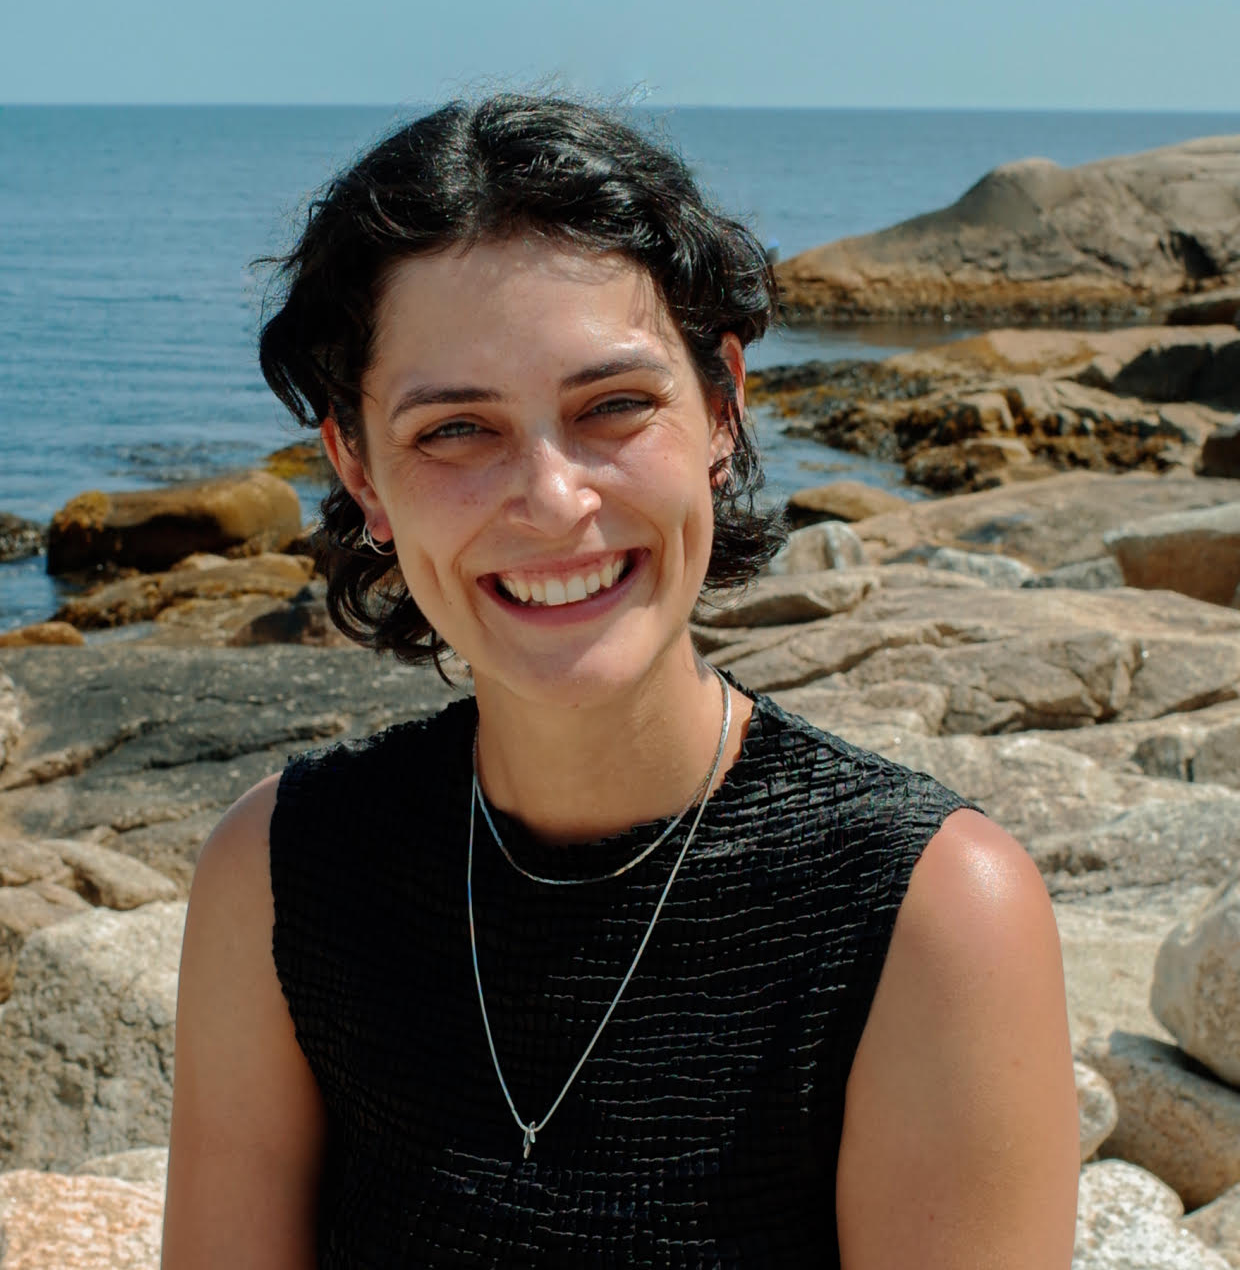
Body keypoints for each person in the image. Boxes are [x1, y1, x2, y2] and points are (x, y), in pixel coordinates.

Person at [160, 95, 1079, 1268]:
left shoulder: (932, 915)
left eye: (613, 407)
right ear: (359, 469)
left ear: (722, 408)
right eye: (455, 431)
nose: (552, 502)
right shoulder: (280, 874)